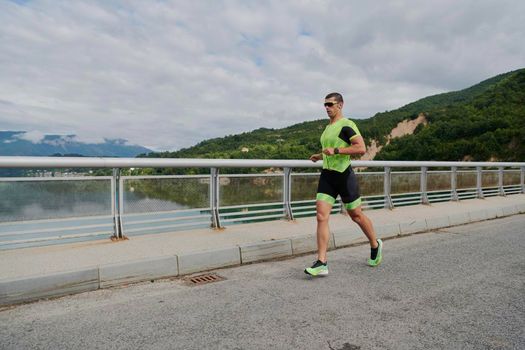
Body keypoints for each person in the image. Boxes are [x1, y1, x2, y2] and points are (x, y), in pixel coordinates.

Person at [305, 92, 382, 276]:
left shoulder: (347, 125)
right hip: (327, 176)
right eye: (325, 104)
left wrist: (337, 150)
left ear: (340, 105)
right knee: (321, 216)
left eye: (330, 104)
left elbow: (360, 148)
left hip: (343, 176)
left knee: (356, 215)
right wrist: (320, 155)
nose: (327, 107)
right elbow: (329, 150)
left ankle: (375, 244)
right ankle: (322, 262)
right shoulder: (327, 128)